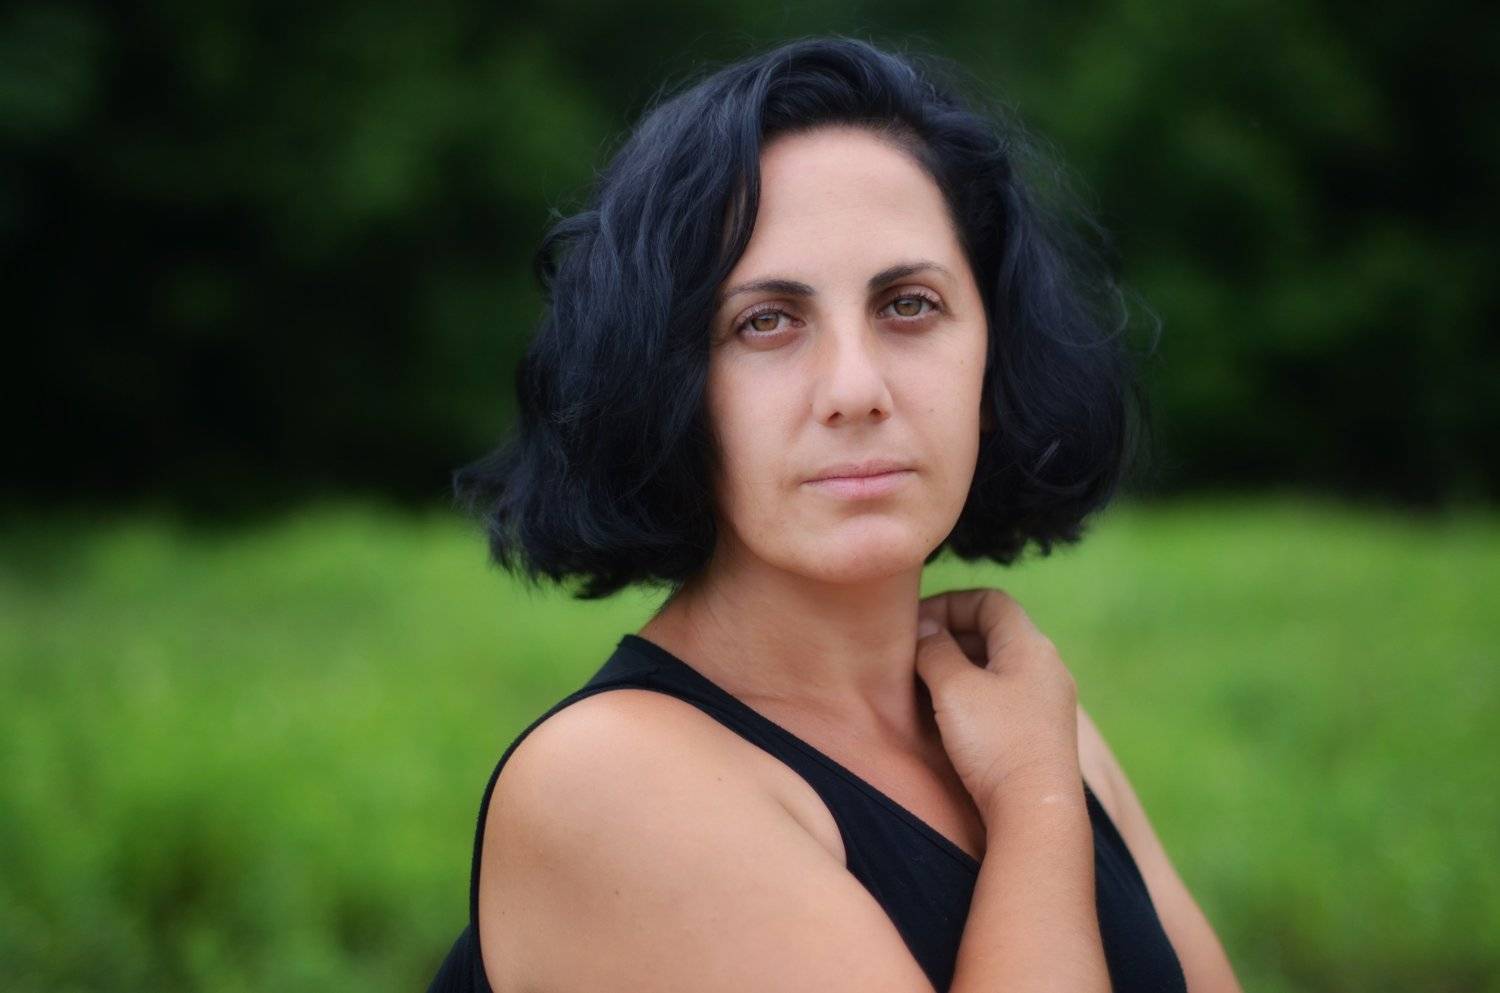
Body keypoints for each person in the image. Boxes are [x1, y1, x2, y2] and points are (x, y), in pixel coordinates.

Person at [427, 35, 1242, 993]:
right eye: (766, 321)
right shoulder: (606, 783)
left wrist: (1041, 769)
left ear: (994, 356)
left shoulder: (1025, 719)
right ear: (669, 386)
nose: (855, 389)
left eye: (909, 304)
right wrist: (1033, 803)